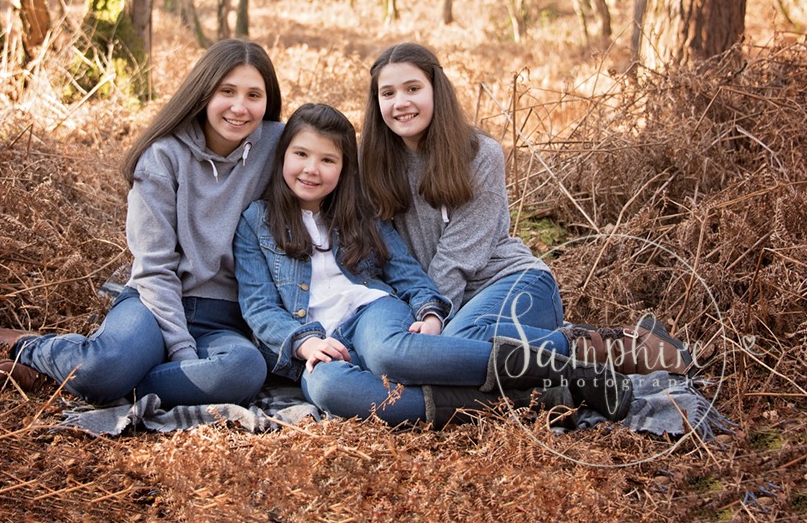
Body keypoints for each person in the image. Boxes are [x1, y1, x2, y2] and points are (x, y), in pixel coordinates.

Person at [234, 103, 633, 428]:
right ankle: (541, 390)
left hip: (373, 313)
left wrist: (429, 310)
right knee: (327, 390)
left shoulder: (360, 213)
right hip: (319, 339)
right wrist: (304, 343)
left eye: (327, 159)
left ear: (343, 169)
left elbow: (404, 270)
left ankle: (562, 350)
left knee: (389, 356)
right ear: (282, 155)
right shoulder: (256, 221)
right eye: (300, 154)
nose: (311, 169)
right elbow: (259, 306)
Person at [0, 39, 285, 407]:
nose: (240, 107)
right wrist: (183, 356)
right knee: (105, 367)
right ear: (204, 92)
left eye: (254, 94)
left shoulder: (278, 147)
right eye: (227, 91)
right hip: (154, 305)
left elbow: (333, 151)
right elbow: (155, 267)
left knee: (244, 370)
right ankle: (31, 349)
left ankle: (73, 376)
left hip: (225, 322)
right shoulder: (163, 157)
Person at [360, 42, 692, 376]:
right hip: (442, 303)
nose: (400, 103)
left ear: (436, 90)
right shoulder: (371, 165)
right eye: (387, 94)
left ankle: (619, 346)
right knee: (448, 350)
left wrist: (433, 315)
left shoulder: (479, 155)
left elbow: (457, 257)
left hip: (513, 284)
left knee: (462, 339)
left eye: (413, 88)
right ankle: (566, 379)